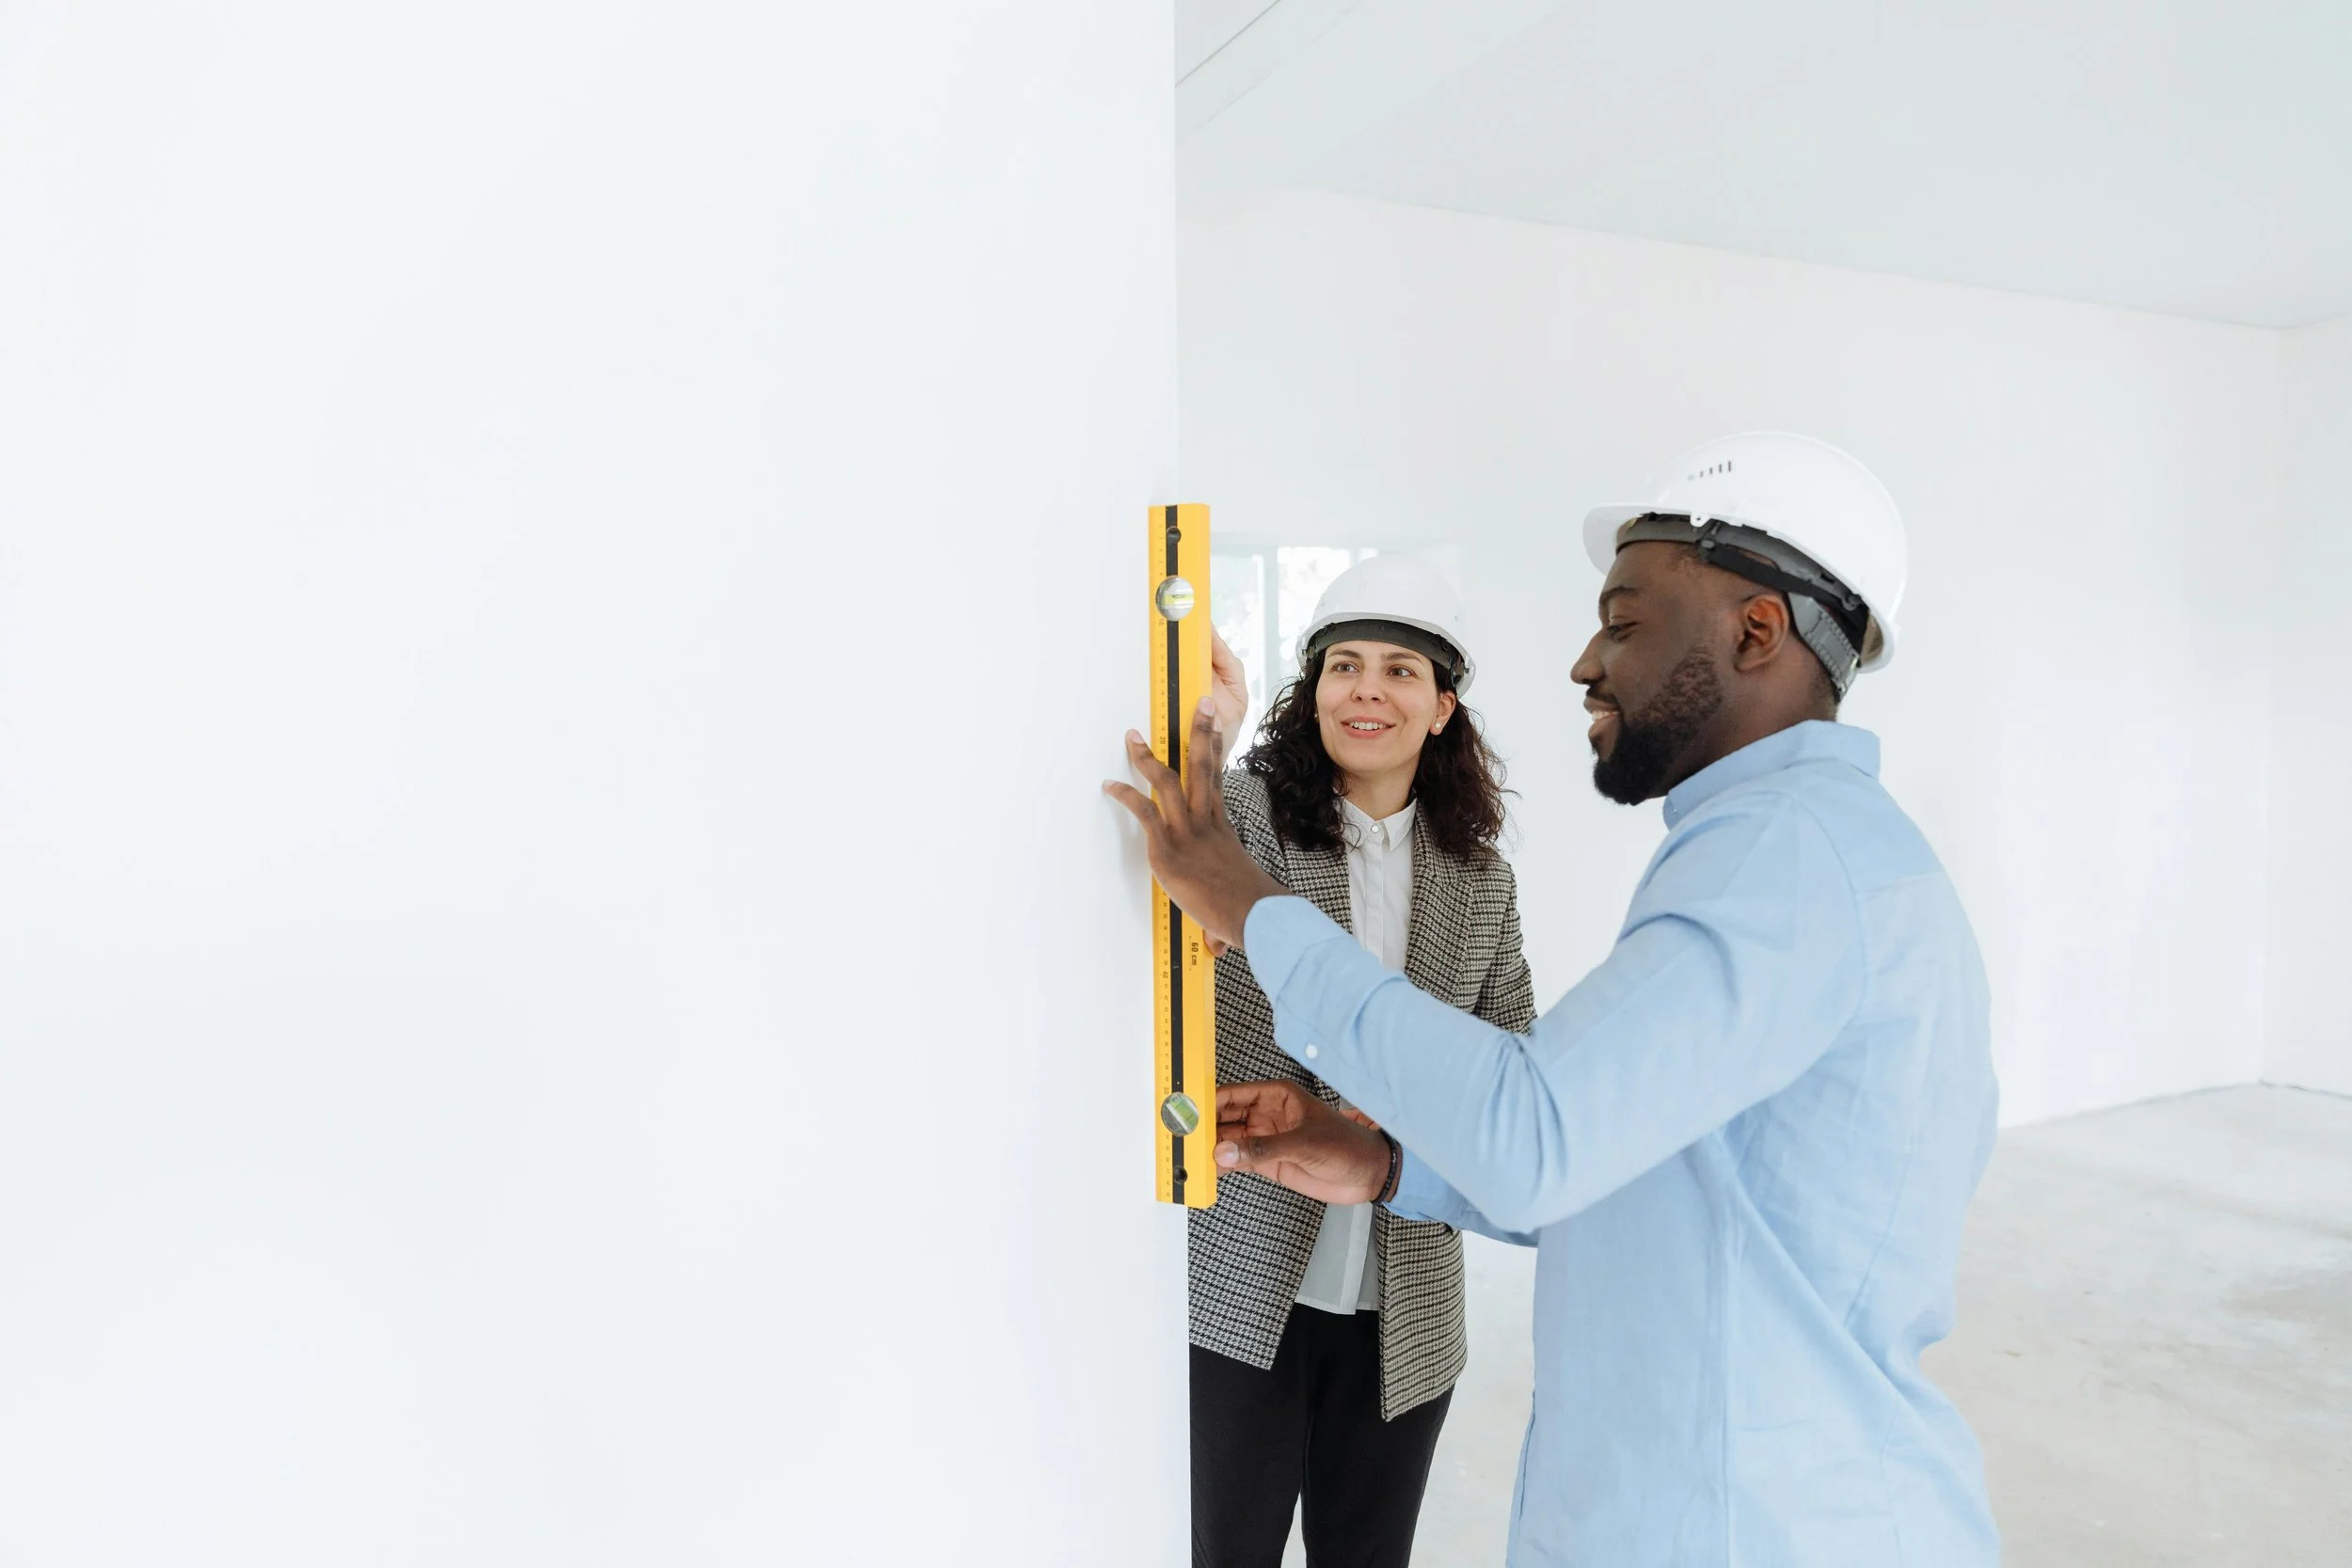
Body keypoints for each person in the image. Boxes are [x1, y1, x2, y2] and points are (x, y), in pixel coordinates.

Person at [1106, 434, 2000, 1566]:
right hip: (1700, 1491)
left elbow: (1536, 1119)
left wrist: (1251, 910)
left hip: (1746, 1521)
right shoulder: (1791, 850)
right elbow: (1636, 1157)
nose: (1584, 660)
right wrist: (1388, 1162)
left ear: (1755, 630)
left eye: (1622, 620)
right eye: (1343, 663)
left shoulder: (1779, 861)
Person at [1188, 556, 1534, 1568]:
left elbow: (1514, 1058)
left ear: (1440, 708)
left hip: (1406, 1299)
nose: (1367, 690)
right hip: (1243, 1277)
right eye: (1343, 665)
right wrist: (1213, 719)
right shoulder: (1246, 819)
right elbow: (1177, 836)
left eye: (1399, 670)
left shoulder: (1480, 879)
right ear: (1314, 692)